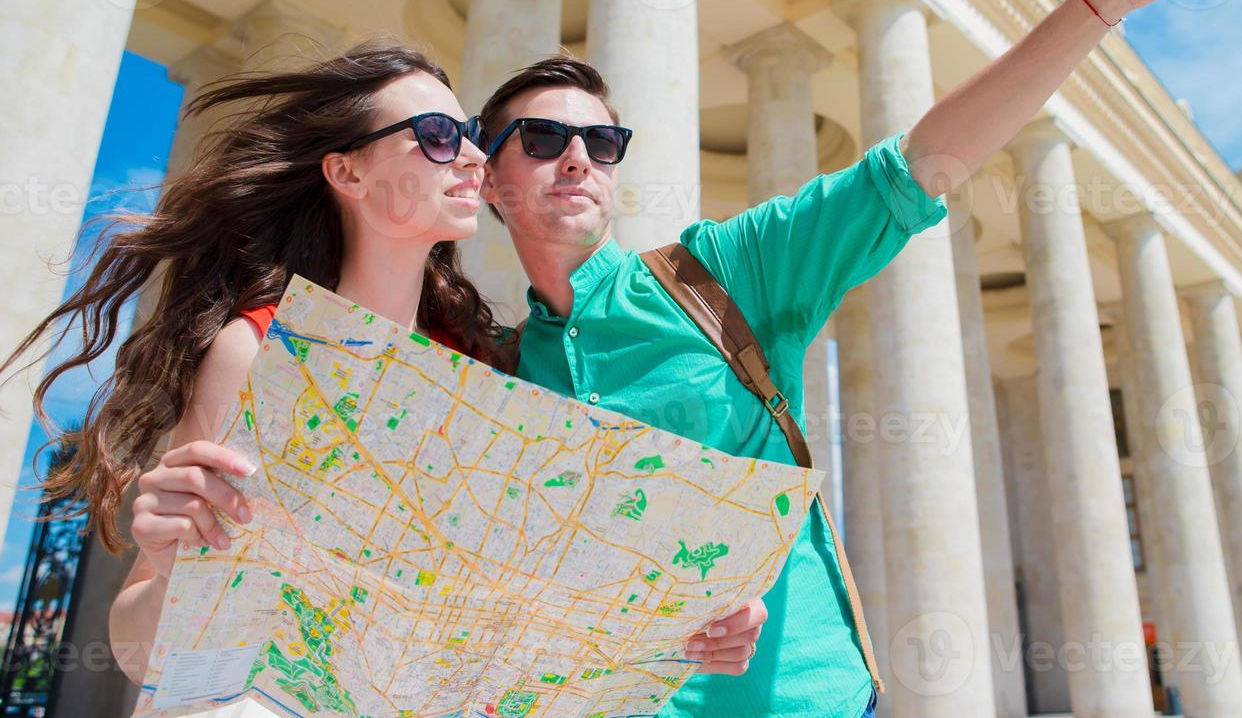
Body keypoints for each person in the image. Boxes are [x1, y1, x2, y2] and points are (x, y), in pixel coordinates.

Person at [473, 0, 1242, 717]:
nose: (577, 158)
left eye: (602, 144)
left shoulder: (724, 272)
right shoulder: (498, 371)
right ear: (490, 181)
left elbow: (920, 165)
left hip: (800, 703)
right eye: (542, 140)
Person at [3, 40, 756, 702]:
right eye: (435, 136)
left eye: (467, 135)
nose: (471, 155)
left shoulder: (485, 366)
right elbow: (143, 654)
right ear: (347, 173)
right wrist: (171, 566)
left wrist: (690, 619)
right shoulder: (256, 349)